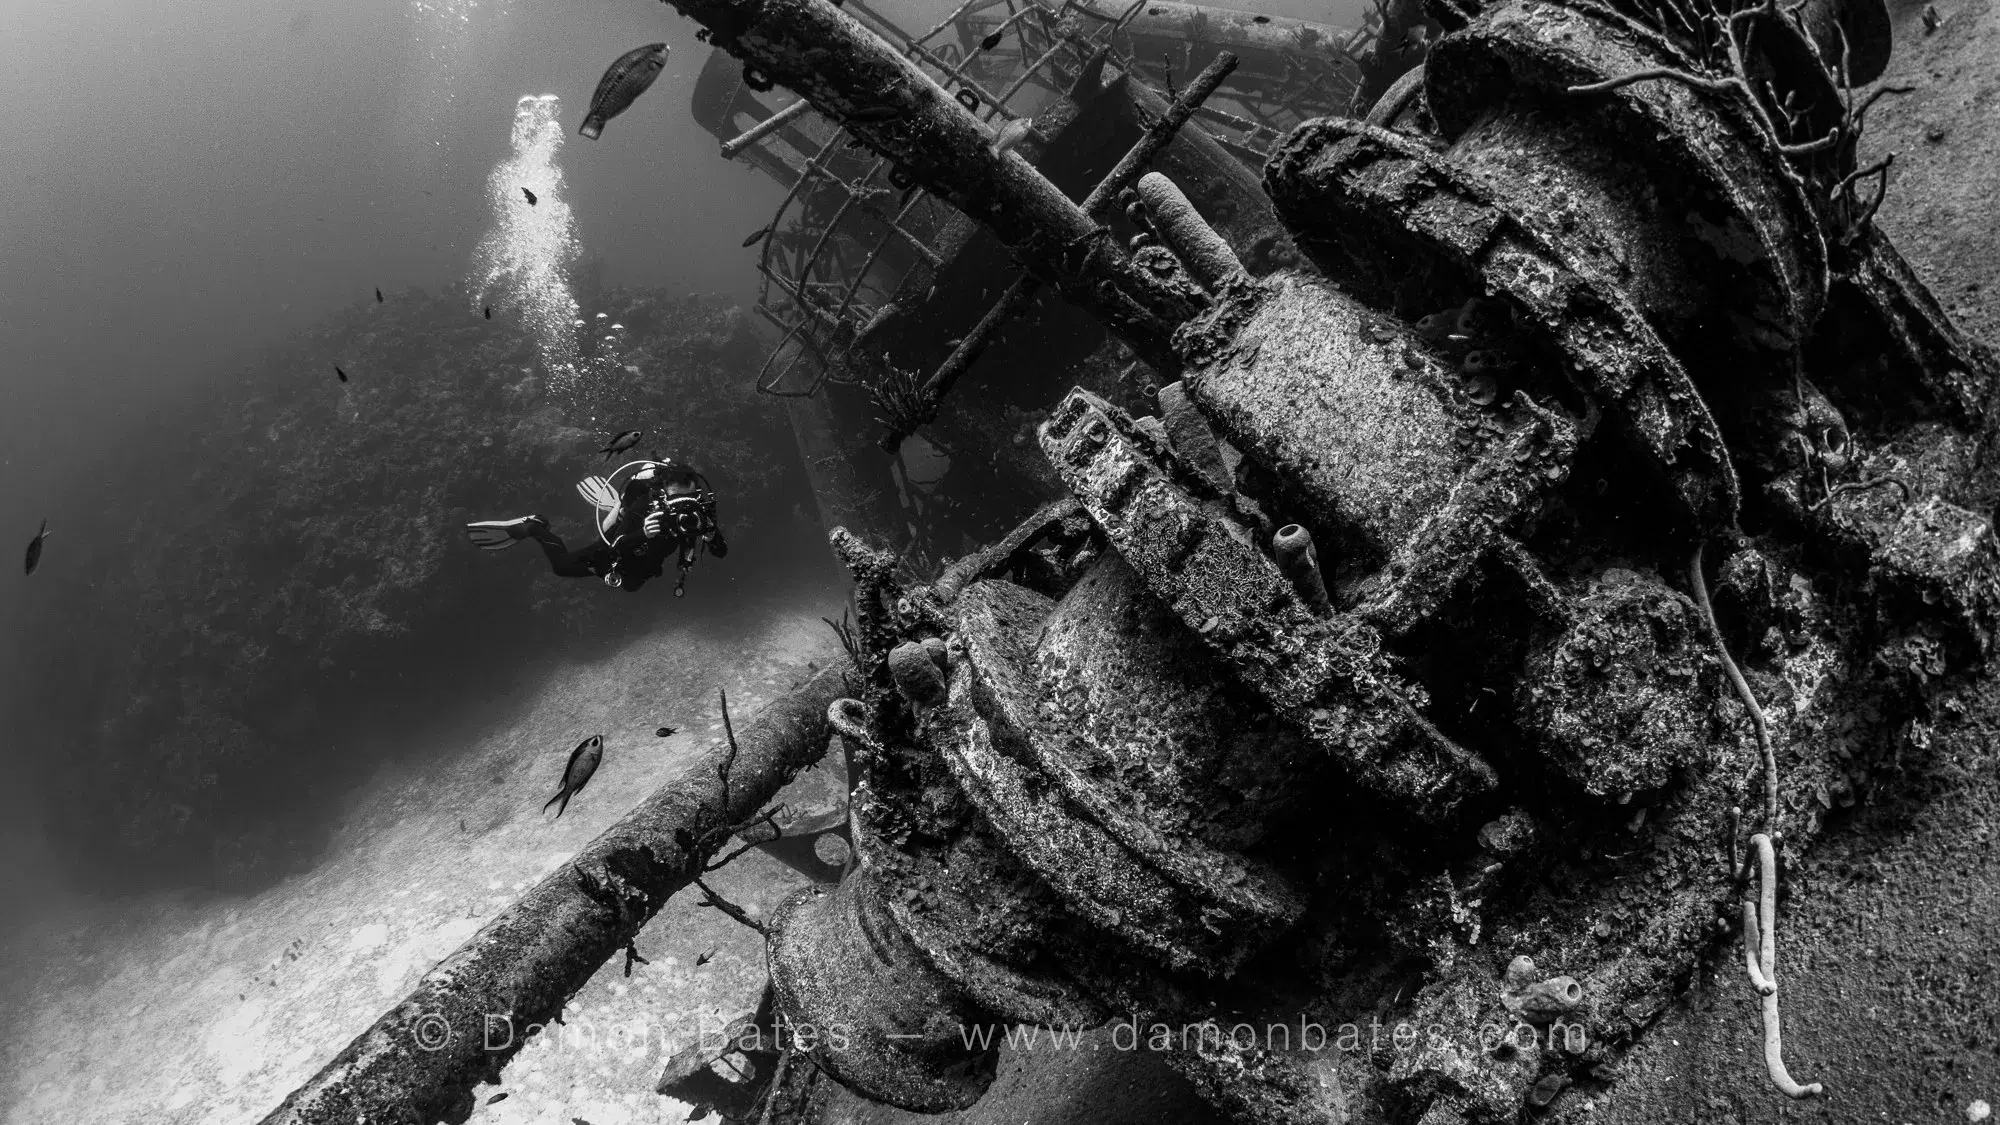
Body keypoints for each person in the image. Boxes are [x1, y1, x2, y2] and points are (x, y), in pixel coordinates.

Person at [466, 460, 727, 596]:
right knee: (561, 567)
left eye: (690, 500)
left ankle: (618, 506)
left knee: (632, 586)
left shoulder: (700, 513)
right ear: (664, 495)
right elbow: (616, 545)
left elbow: (720, 552)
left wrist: (711, 532)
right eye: (677, 500)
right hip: (616, 552)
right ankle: (535, 526)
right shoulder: (647, 507)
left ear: (698, 495)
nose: (685, 508)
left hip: (643, 567)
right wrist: (643, 533)